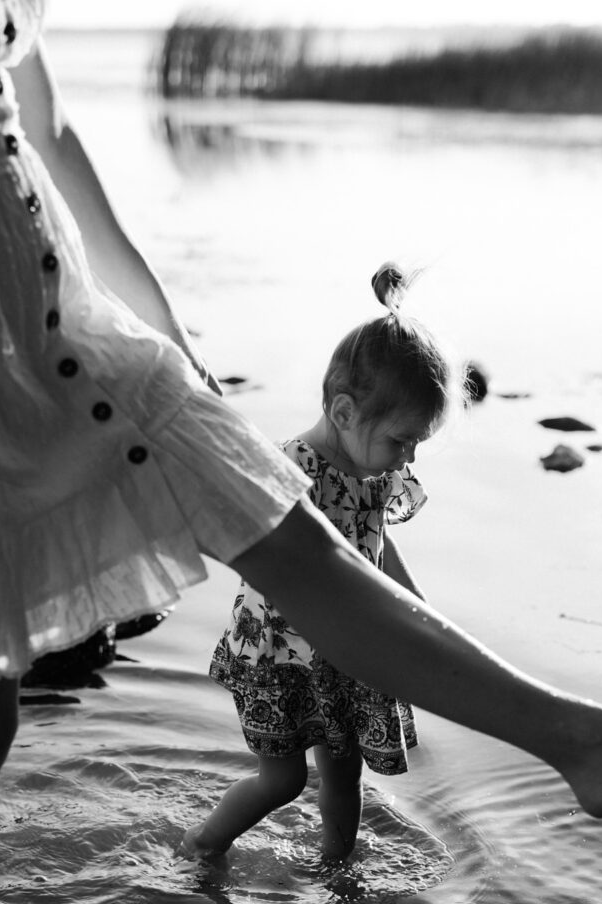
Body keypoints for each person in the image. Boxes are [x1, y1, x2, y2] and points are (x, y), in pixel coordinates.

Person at [0, 1, 602, 904]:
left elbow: (46, 129)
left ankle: (593, 746)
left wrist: (168, 335)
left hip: (46, 294)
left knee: (292, 543)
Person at [183, 265, 451, 860]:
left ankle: (336, 872)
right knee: (283, 780)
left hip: (346, 652)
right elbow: (261, 554)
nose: (408, 456)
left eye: (417, 443)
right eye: (402, 439)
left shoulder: (374, 471)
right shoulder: (290, 470)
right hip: (280, 653)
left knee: (345, 772)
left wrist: (418, 609)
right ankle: (201, 845)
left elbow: (378, 543)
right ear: (345, 411)